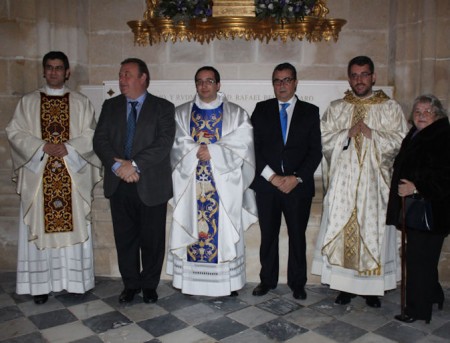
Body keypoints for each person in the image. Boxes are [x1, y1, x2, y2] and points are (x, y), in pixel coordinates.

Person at [311, 56, 408, 307]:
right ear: (349, 78)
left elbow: (401, 142)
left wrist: (372, 134)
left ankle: (371, 289)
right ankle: (344, 286)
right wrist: (347, 133)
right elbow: (322, 139)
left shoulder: (390, 108)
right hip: (343, 185)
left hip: (374, 186)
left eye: (364, 75)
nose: (359, 80)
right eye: (354, 75)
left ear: (373, 77)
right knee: (343, 232)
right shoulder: (337, 107)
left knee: (372, 233)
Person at [6, 51, 101, 305]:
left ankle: (74, 282)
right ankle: (39, 285)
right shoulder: (28, 102)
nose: (54, 72)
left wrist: (68, 147)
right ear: (44, 70)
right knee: (39, 226)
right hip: (40, 179)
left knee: (75, 225)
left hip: (70, 178)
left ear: (67, 72)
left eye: (59, 68)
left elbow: (93, 133)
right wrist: (41, 147)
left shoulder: (81, 103)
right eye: (49, 68)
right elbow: (14, 132)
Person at [167, 66, 258, 296]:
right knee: (192, 226)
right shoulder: (181, 113)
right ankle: (191, 283)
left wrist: (214, 152)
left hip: (223, 187)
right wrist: (197, 149)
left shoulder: (237, 113)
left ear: (218, 84)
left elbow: (243, 144)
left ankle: (228, 283)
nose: (204, 86)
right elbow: (176, 142)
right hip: (191, 186)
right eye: (199, 81)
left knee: (224, 230)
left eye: (209, 81)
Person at [93, 58, 175, 304]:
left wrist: (134, 164)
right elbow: (100, 140)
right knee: (125, 238)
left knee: (152, 239)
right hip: (119, 184)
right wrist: (119, 167)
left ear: (143, 78)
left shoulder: (163, 107)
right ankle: (130, 285)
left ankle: (149, 285)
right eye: (120, 75)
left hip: (150, 184)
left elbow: (163, 144)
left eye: (127, 75)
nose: (122, 80)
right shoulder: (110, 106)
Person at [251, 62, 322, 300]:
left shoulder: (310, 111)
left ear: (295, 82)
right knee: (268, 235)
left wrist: (297, 177)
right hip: (267, 186)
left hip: (297, 187)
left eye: (287, 80)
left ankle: (297, 283)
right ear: (273, 84)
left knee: (297, 236)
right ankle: (267, 280)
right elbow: (254, 149)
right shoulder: (261, 109)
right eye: (277, 81)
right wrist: (271, 177)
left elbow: (315, 151)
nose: (282, 85)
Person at [386, 94, 450, 323]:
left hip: (432, 210)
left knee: (418, 262)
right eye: (417, 112)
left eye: (427, 112)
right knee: (423, 258)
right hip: (417, 209)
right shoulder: (417, 133)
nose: (421, 116)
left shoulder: (443, 136)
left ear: (437, 114)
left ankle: (417, 311)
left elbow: (444, 177)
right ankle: (434, 295)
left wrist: (416, 188)